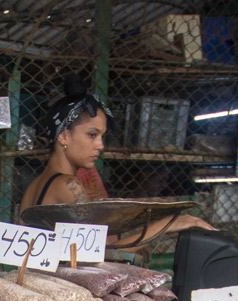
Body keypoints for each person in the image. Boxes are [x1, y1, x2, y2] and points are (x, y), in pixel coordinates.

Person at [20, 75, 215, 252]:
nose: (100, 145)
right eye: (92, 135)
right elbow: (104, 253)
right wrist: (171, 224)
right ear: (63, 136)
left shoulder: (34, 187)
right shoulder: (69, 185)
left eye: (102, 136)